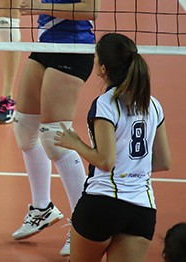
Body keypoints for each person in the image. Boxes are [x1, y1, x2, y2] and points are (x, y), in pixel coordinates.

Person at [0, 0, 117, 257]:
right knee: (25, 128)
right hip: (47, 46)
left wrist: (40, 6)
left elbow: (91, 8)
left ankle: (83, 224)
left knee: (54, 136)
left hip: (72, 49)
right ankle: (42, 208)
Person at [53, 32, 171, 262]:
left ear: (103, 68)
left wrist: (75, 143)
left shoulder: (106, 104)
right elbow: (163, 162)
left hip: (102, 204)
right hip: (142, 210)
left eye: (96, 56)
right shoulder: (153, 105)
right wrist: (131, 168)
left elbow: (106, 162)